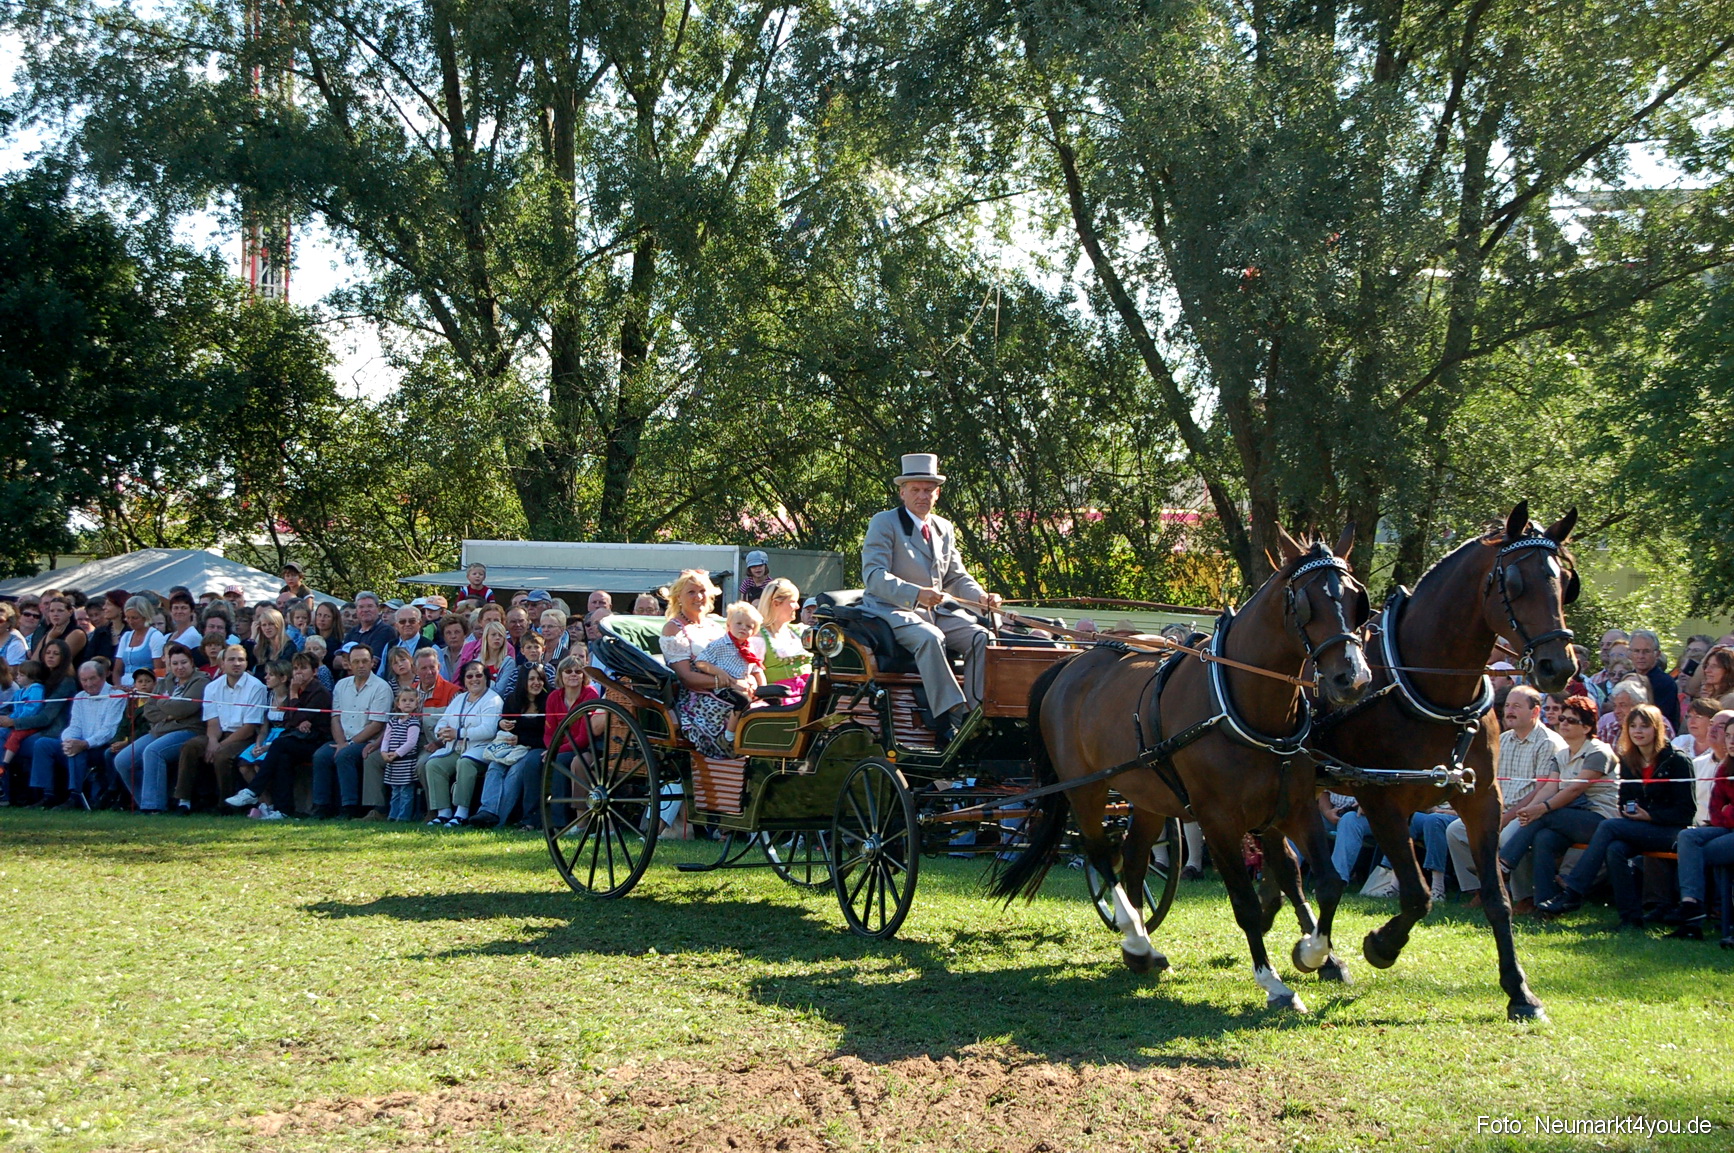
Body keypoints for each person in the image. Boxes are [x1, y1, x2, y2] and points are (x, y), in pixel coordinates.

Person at [860, 452, 1002, 744]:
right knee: (930, 637)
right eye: (916, 490)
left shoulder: (943, 528)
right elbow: (873, 575)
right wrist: (916, 593)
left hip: (936, 612)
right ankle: (952, 714)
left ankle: (976, 713)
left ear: (937, 494)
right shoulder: (884, 523)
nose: (922, 496)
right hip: (892, 610)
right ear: (902, 492)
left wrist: (981, 596)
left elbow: (956, 577)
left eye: (928, 490)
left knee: (982, 637)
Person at [1538, 704, 1696, 927]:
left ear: (1657, 729)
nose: (1638, 731)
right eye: (1632, 726)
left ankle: (1573, 892)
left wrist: (1649, 816)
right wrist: (1631, 812)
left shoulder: (1677, 760)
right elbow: (1623, 801)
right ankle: (1630, 918)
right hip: (1640, 827)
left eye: (1644, 726)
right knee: (1615, 849)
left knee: (1610, 827)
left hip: (1672, 831)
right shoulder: (1629, 760)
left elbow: (1686, 812)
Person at [1445, 685, 1567, 912]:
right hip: (1498, 809)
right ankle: (1481, 889)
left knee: (1507, 835)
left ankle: (1525, 897)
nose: (1509, 711)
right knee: (1455, 831)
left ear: (1535, 712)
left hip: (1531, 812)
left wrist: (1507, 817)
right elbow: (1492, 783)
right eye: (1508, 705)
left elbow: (1541, 789)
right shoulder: (1503, 739)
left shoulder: (1549, 742)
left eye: (1517, 707)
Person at [1497, 695, 1618, 909]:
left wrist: (1540, 809)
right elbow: (1551, 787)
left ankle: (1504, 864)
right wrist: (1528, 809)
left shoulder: (1599, 751)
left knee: (1546, 816)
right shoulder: (1561, 754)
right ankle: (1544, 902)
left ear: (1588, 726)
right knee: (1544, 837)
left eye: (1572, 720)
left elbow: (1575, 789)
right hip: (1569, 818)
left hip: (1601, 820)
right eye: (1562, 719)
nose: (1563, 723)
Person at [172, 643, 268, 813]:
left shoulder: (256, 687)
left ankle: (226, 804)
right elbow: (212, 722)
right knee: (191, 747)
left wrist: (219, 746)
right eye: (231, 660)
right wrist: (212, 741)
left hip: (244, 737)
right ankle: (184, 800)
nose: (236, 663)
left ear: (246, 663)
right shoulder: (212, 687)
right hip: (219, 733)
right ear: (222, 664)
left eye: (241, 660)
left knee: (222, 756)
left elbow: (249, 727)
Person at [112, 644, 207, 814]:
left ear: (192, 662)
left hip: (188, 730)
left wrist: (161, 702)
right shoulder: (165, 681)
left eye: (183, 662)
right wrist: (168, 713)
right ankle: (144, 801)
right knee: (122, 761)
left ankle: (153, 806)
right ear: (169, 664)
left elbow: (184, 709)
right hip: (160, 729)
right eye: (175, 663)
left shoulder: (201, 681)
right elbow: (149, 710)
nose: (179, 667)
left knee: (153, 751)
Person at [29, 658, 126, 809]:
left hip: (101, 748)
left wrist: (84, 744)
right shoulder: (80, 696)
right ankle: (47, 795)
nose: (88, 684)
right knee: (43, 744)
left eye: (92, 678)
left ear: (102, 677)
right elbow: (74, 725)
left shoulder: (117, 696)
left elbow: (109, 731)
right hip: (80, 743)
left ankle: (75, 797)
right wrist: (69, 740)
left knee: (78, 751)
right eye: (84, 680)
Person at [311, 643, 392, 818]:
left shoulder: (381, 687)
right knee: (320, 756)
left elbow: (377, 725)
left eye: (365, 661)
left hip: (368, 742)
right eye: (356, 661)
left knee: (345, 755)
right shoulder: (341, 685)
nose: (361, 665)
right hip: (342, 739)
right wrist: (341, 742)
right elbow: (335, 717)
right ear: (349, 663)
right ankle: (321, 806)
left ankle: (349, 807)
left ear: (372, 663)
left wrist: (349, 744)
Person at [246, 652, 332, 819]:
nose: (299, 672)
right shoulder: (299, 690)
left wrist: (293, 695)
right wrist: (299, 720)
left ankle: (253, 790)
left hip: (316, 741)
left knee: (279, 745)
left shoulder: (319, 692)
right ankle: (283, 810)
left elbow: (299, 717)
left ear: (314, 671)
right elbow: (288, 720)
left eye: (304, 668)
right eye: (295, 668)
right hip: (298, 737)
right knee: (283, 757)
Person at [659, 571, 733, 759]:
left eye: (702, 591)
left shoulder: (717, 625)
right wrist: (724, 682)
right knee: (737, 712)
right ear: (678, 598)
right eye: (691, 592)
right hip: (697, 699)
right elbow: (686, 678)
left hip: (730, 688)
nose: (699, 597)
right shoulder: (674, 628)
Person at [423, 662, 504, 826]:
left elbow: (488, 730)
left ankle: (461, 812)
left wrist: (458, 733)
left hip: (481, 749)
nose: (474, 679)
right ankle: (443, 812)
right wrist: (442, 732)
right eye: (470, 676)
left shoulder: (493, 699)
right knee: (434, 764)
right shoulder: (459, 698)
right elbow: (444, 720)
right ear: (464, 680)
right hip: (455, 747)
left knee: (465, 762)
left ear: (486, 678)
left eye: (479, 675)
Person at [473, 662, 549, 827]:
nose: (536, 683)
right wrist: (502, 724)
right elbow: (504, 721)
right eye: (531, 679)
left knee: (515, 773)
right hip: (511, 747)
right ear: (523, 681)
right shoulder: (513, 700)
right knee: (494, 767)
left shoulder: (548, 701)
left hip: (534, 749)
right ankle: (486, 811)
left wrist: (521, 740)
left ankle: (499, 819)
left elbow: (547, 736)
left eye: (540, 679)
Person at [1669, 749, 1734, 939]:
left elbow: (1722, 813)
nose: (1731, 741)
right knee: (1688, 837)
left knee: (1692, 855)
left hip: (1727, 830)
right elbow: (1714, 811)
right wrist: (1728, 812)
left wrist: (1727, 811)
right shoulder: (1725, 768)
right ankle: (1691, 905)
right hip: (1724, 829)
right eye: (1729, 735)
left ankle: (1692, 923)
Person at [226, 659, 291, 816]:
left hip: (283, 737)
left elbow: (290, 728)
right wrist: (258, 744)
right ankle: (265, 802)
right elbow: (263, 727)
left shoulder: (291, 698)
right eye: (266, 674)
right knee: (244, 764)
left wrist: (268, 747)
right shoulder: (269, 697)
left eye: (271, 675)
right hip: (268, 736)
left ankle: (273, 804)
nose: (266, 677)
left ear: (283, 678)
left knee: (258, 765)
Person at [757, 578, 811, 701]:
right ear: (776, 603)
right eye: (793, 601)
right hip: (780, 698)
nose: (797, 606)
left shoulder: (799, 631)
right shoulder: (759, 637)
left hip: (808, 693)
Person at [377, 688, 424, 821]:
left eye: (411, 700)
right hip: (393, 763)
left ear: (416, 703)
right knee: (395, 791)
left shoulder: (414, 722)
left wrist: (396, 753)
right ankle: (393, 815)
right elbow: (386, 738)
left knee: (406, 791)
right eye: (404, 700)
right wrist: (384, 752)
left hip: (406, 762)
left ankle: (404, 817)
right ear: (398, 703)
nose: (407, 703)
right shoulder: (392, 721)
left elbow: (411, 743)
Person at [1628, 629, 1681, 730]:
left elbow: (1659, 718)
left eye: (1646, 651)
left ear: (1657, 654)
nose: (1640, 656)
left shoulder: (1666, 683)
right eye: (1636, 651)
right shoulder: (1626, 679)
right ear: (1629, 654)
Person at [343, 592, 397, 669]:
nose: (365, 610)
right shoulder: (353, 631)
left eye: (370, 606)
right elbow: (337, 661)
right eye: (361, 607)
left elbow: (372, 662)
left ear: (378, 609)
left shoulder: (385, 631)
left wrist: (348, 662)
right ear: (357, 610)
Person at [30, 595, 89, 663]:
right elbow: (34, 660)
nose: (55, 614)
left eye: (60, 611)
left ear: (70, 612)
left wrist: (50, 638)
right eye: (52, 611)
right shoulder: (50, 630)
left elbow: (57, 661)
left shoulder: (77, 633)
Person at [246, 606, 297, 678]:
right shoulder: (263, 647)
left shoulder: (289, 647)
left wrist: (255, 676)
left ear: (279, 624)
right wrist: (253, 637)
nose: (267, 628)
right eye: (264, 625)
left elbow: (279, 673)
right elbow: (246, 663)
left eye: (271, 624)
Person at [309, 601, 346, 669]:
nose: (322, 619)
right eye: (319, 615)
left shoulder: (335, 645)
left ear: (334, 619)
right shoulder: (311, 638)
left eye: (327, 616)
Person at [437, 616, 470, 681]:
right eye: (448, 633)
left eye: (457, 632)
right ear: (443, 636)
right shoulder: (438, 654)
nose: (453, 636)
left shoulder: (473, 653)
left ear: (465, 634)